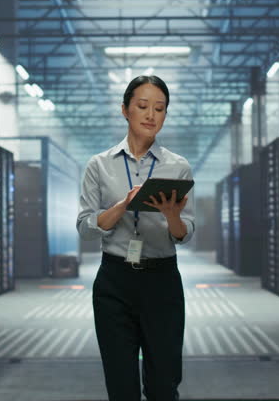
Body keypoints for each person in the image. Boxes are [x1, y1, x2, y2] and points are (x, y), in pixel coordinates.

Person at [77, 75, 196, 401]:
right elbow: (86, 228)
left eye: (159, 108)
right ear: (125, 110)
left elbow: (186, 233)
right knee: (121, 387)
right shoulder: (98, 166)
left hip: (162, 282)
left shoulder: (178, 166)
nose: (151, 115)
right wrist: (122, 205)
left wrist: (172, 216)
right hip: (115, 281)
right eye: (142, 106)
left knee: (163, 385)